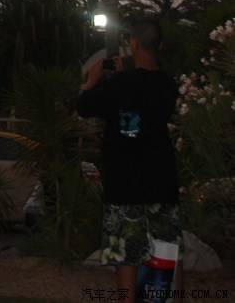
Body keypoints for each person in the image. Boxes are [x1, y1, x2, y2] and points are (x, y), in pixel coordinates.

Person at [77, 18, 183, 303]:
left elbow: (85, 106)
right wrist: (123, 79)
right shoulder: (168, 84)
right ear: (160, 46)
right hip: (161, 181)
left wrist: (92, 79)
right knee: (167, 252)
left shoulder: (120, 85)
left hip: (124, 183)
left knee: (126, 255)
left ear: (133, 45)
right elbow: (140, 112)